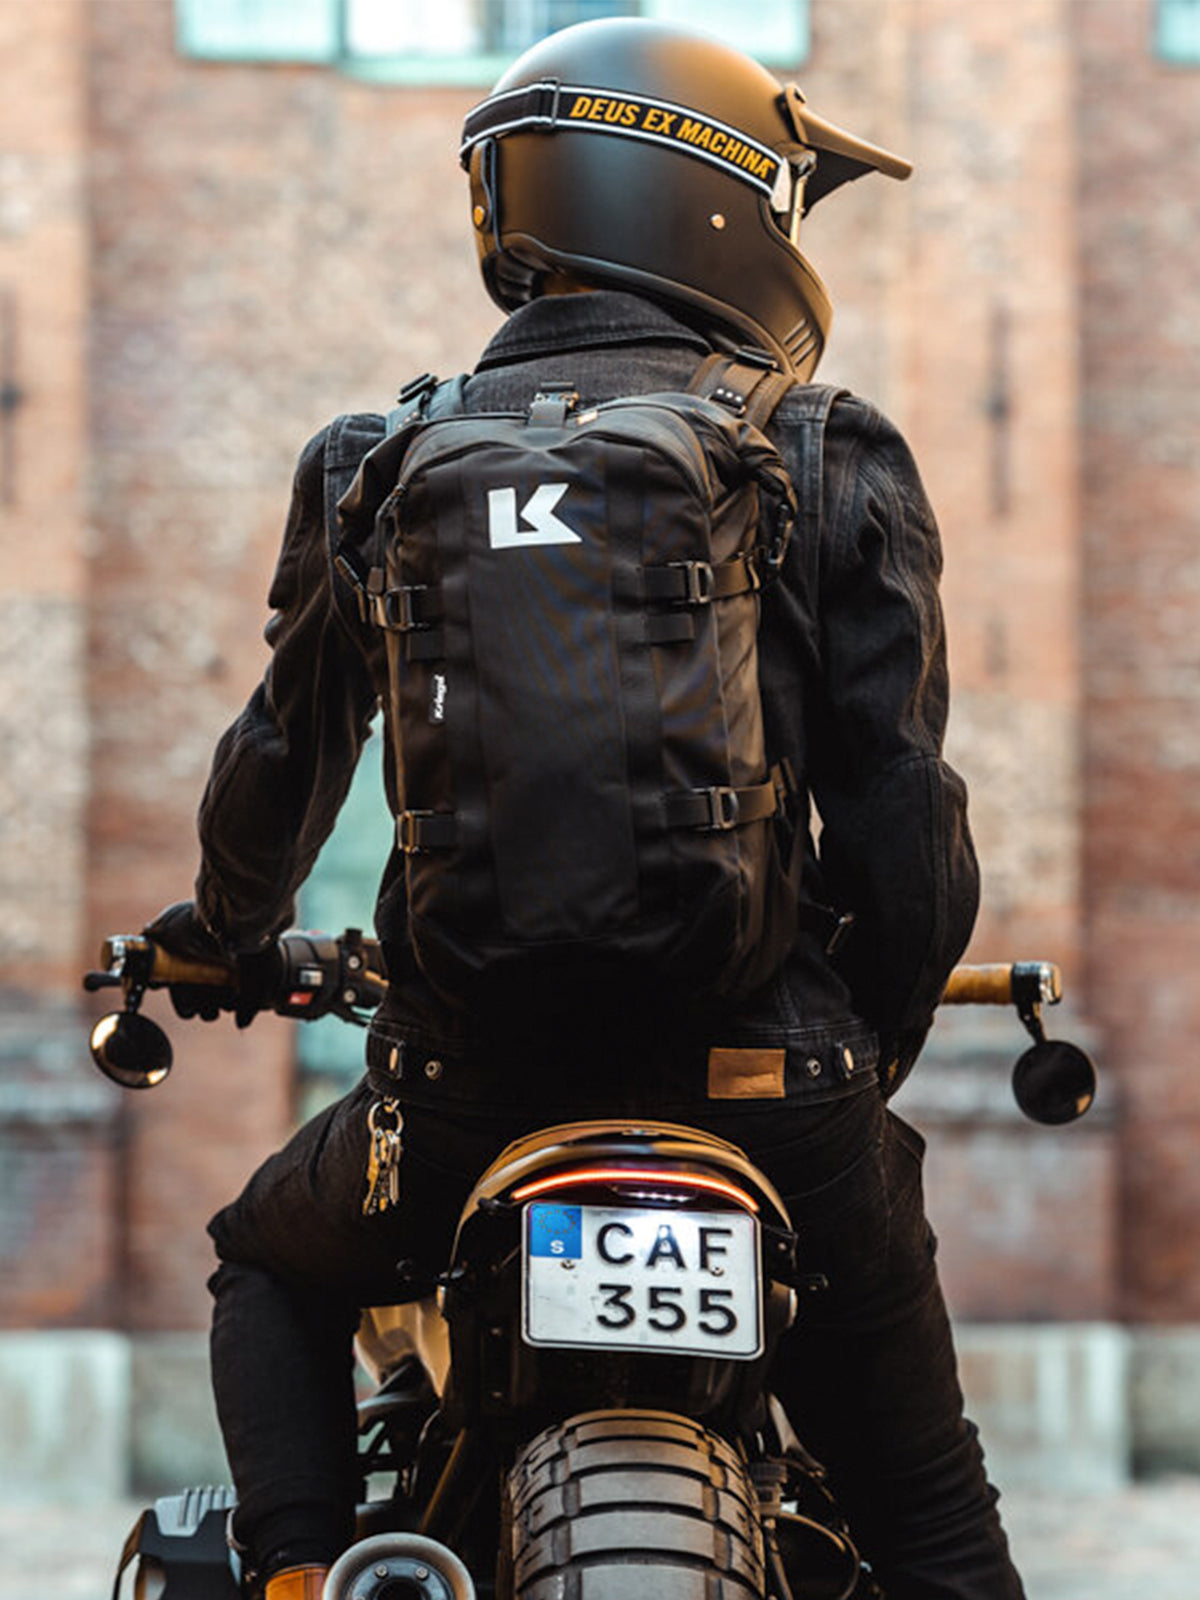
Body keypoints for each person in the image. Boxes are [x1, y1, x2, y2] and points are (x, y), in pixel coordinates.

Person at [146, 18, 1022, 1600]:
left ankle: (303, 1573)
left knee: (267, 1262)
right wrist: (847, 1052)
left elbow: (286, 752)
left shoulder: (374, 458)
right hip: (771, 1083)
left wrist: (225, 931)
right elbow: (905, 813)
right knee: (935, 1531)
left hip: (463, 1086)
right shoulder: (821, 445)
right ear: (716, 198)